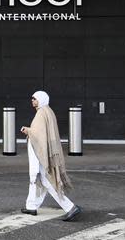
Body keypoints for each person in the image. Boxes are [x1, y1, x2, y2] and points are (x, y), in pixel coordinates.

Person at [20, 91, 81, 221]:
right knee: (37, 180)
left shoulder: (42, 113)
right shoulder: (48, 111)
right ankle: (31, 206)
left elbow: (39, 135)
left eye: (34, 98)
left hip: (40, 153)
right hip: (43, 151)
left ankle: (70, 207)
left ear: (40, 100)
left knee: (46, 181)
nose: (32, 100)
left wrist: (27, 130)